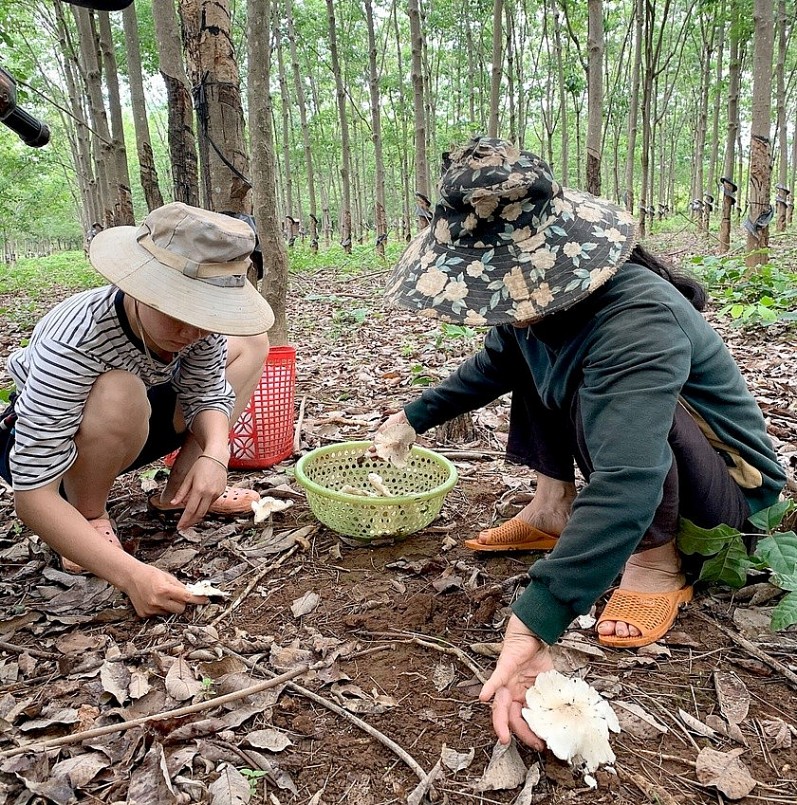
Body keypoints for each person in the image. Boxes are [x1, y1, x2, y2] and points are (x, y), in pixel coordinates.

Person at [377, 136, 786, 749]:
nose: (507, 300)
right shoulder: (534, 310)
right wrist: (412, 417)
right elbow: (493, 366)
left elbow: (628, 476)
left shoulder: (637, 322)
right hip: (642, 461)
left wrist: (540, 615)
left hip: (725, 492)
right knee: (534, 362)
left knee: (630, 410)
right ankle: (552, 508)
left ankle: (657, 561)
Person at [0, 202, 273, 618]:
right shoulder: (75, 339)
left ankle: (181, 492)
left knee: (252, 343)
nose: (194, 331)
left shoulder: (199, 326)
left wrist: (217, 453)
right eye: (181, 311)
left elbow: (206, 392)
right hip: (55, 442)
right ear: (140, 286)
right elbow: (31, 493)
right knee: (119, 390)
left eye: (207, 314)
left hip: (141, 418)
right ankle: (88, 514)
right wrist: (133, 576)